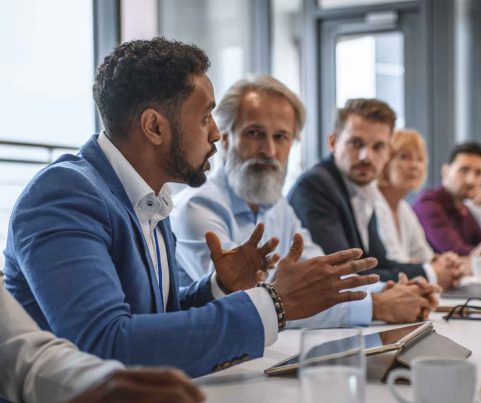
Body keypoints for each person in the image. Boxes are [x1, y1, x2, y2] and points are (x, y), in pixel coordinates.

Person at [3, 38, 379, 378]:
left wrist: (218, 288)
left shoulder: (150, 195)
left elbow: (150, 318)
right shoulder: (64, 195)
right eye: (204, 117)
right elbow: (105, 345)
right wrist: (275, 303)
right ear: (154, 126)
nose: (216, 133)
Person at [171, 76, 438, 326]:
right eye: (254, 133)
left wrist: (394, 290)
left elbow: (321, 276)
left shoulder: (277, 205)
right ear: (226, 139)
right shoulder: (198, 207)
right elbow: (250, 303)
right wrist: (376, 305)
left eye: (281, 137)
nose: (269, 150)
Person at [288, 98, 462, 284]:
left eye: (378, 147)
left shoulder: (365, 190)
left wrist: (431, 269)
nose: (366, 157)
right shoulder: (316, 187)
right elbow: (343, 273)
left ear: (388, 152)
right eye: (356, 143)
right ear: (333, 142)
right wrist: (430, 274)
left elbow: (376, 262)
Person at [0, 281, 204, 403]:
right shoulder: (60, 211)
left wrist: (96, 381)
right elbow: (109, 339)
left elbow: (24, 355)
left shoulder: (152, 215)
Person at [375, 129, 464, 289]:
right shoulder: (374, 203)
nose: (415, 166)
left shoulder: (403, 208)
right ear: (385, 161)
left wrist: (444, 262)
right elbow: (392, 264)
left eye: (420, 159)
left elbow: (424, 256)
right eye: (404, 157)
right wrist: (433, 268)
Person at [412, 142, 481, 263]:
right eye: (464, 170)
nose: (471, 180)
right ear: (445, 171)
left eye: (478, 173)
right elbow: (455, 250)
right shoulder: (428, 204)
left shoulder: (463, 208)